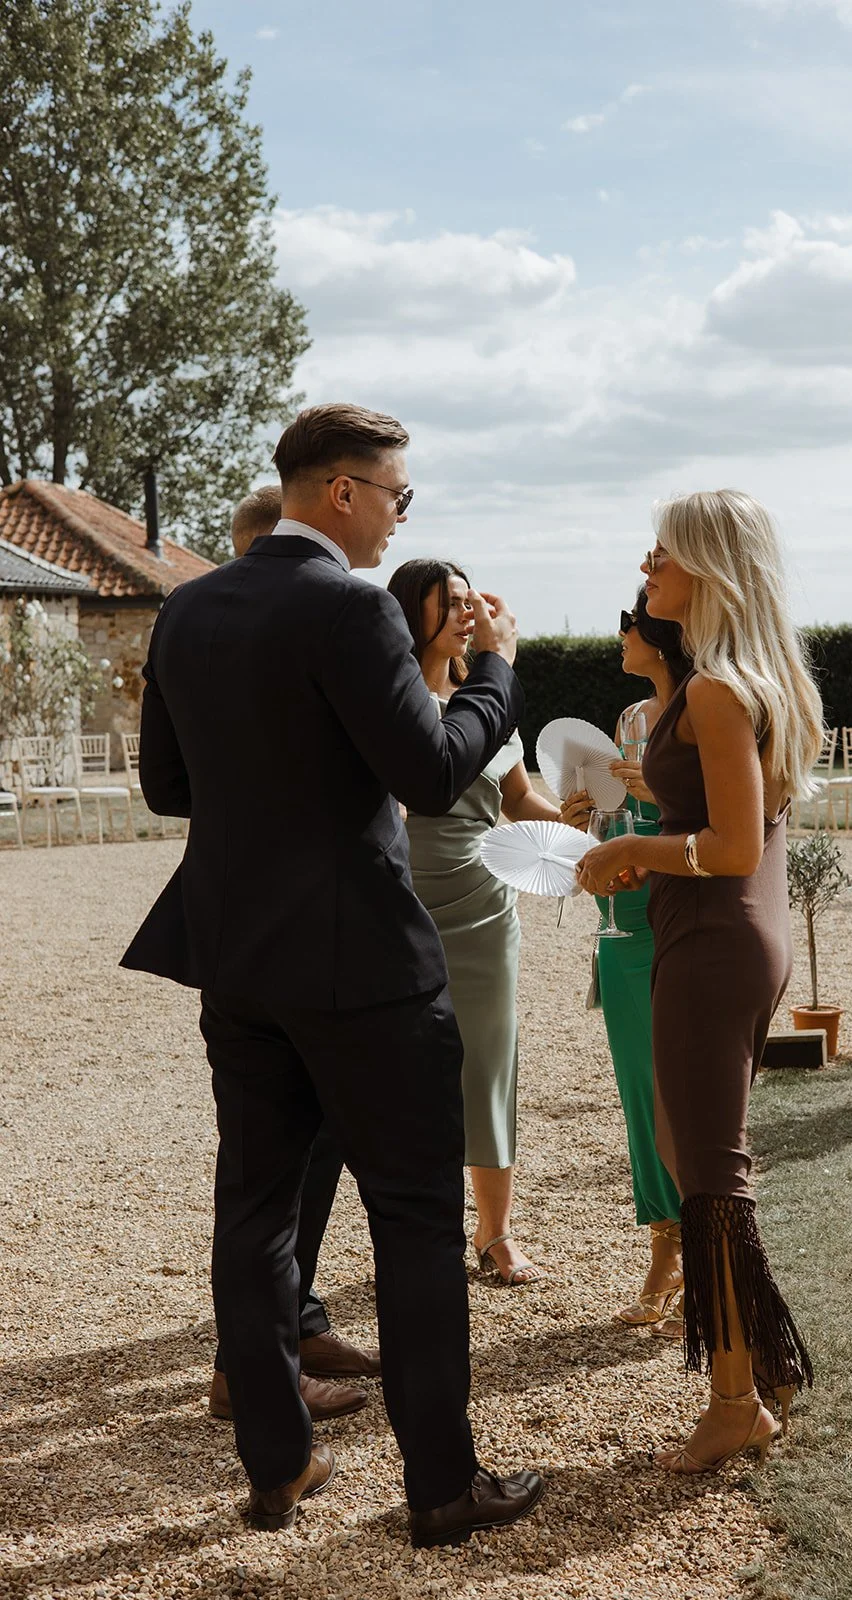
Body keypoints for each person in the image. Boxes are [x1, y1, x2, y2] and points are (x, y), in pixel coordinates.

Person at [121, 404, 542, 1545]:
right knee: (411, 1217)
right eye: (400, 498)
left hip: (239, 959)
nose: (402, 517)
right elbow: (430, 766)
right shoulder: (350, 607)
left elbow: (168, 786)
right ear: (344, 492)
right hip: (362, 965)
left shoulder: (189, 606)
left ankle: (277, 1464)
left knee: (253, 1212)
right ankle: (444, 1487)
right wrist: (494, 672)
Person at [575, 489, 823, 1474]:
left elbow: (724, 845)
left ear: (710, 571)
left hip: (714, 940)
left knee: (709, 1169)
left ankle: (734, 1401)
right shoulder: (737, 681)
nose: (646, 565)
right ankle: (765, 1358)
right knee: (689, 1152)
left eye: (662, 555)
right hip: (732, 935)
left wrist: (625, 855)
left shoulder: (717, 690)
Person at [205, 482, 377, 1428]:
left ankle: (293, 1324)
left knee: (301, 1153)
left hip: (246, 930)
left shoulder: (202, 625)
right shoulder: (323, 620)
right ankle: (253, 1364)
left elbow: (167, 784)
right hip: (314, 938)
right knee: (283, 1163)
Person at [388, 557, 568, 1287]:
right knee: (404, 1077)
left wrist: (585, 826)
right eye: (448, 601)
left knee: (490, 1067)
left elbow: (520, 800)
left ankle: (496, 1234)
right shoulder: (387, 699)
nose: (467, 612)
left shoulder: (488, 702)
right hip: (402, 904)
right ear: (411, 613)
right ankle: (418, 1235)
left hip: (488, 909)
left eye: (471, 600)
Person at [563, 588, 689, 1337]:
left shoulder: (706, 711)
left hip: (682, 918)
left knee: (686, 1099)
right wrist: (584, 816)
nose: (618, 636)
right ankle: (664, 1250)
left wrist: (662, 792)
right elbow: (620, 823)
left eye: (628, 626)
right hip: (623, 924)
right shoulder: (630, 721)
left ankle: (704, 1257)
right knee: (640, 1099)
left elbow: (727, 826)